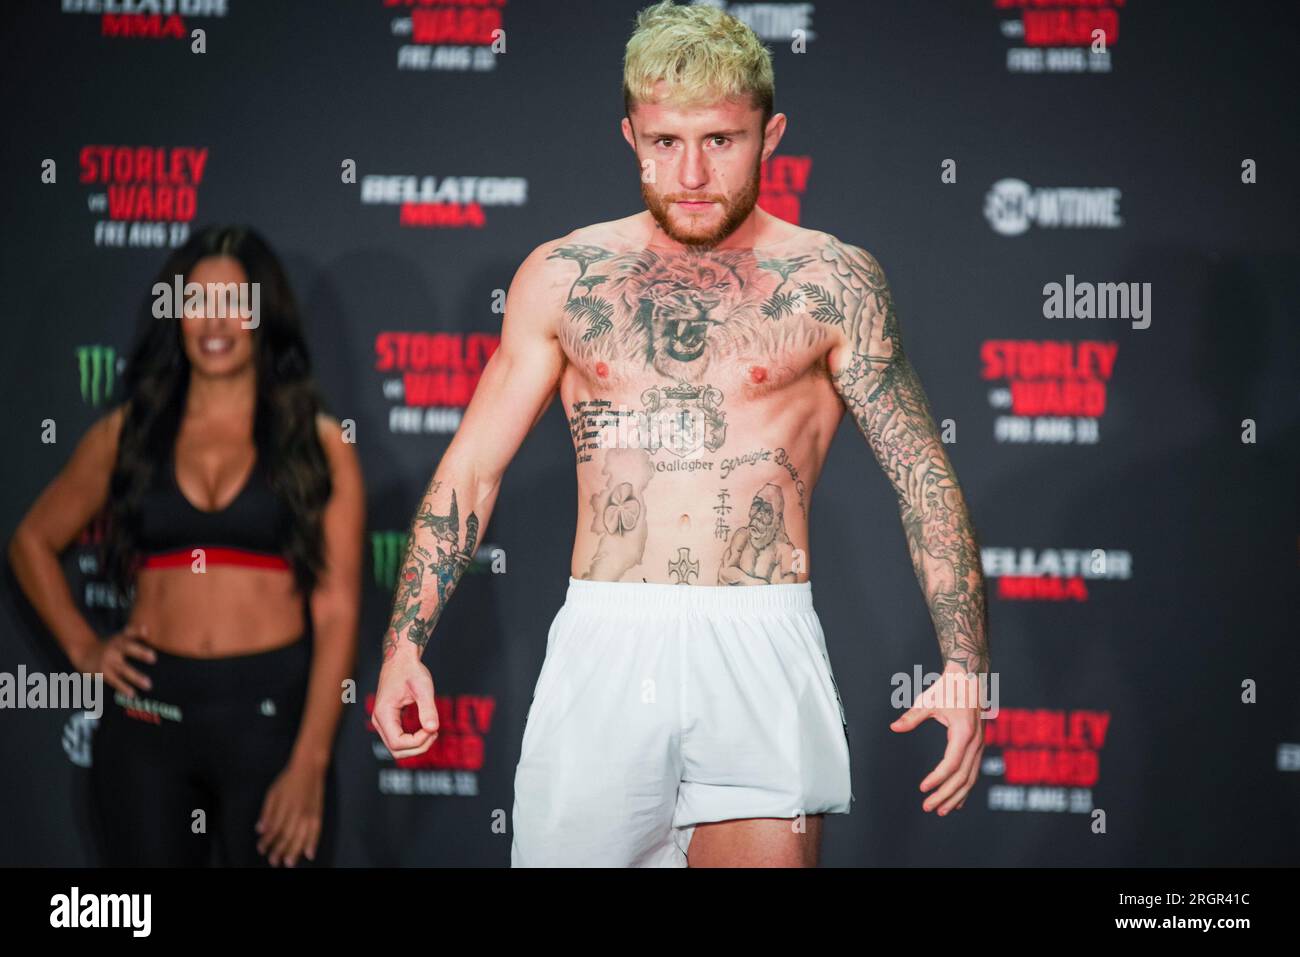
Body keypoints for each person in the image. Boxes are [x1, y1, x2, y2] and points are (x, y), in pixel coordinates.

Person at [373, 0, 989, 867]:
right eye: (666, 143)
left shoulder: (833, 281)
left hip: (760, 637)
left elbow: (922, 475)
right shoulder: (563, 277)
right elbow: (472, 469)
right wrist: (405, 644)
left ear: (771, 135)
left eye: (721, 141)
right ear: (630, 135)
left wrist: (965, 662)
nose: (693, 172)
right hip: (606, 638)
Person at [8, 225, 364, 867]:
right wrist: (85, 646)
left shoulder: (317, 443)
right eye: (196, 303)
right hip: (146, 728)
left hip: (269, 725)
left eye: (235, 303)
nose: (214, 322)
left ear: (263, 315)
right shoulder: (130, 432)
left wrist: (309, 762)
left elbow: (337, 608)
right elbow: (32, 541)